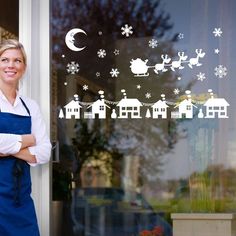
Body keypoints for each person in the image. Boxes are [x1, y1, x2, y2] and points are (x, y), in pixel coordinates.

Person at [0, 39, 51, 235]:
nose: (11, 65)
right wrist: (27, 140)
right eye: (5, 59)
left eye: (17, 60)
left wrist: (7, 148)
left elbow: (45, 151)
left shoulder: (31, 106)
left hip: (21, 201)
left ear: (24, 67)